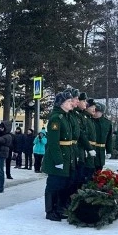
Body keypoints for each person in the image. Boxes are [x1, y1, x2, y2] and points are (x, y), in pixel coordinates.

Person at [42, 90, 74, 221]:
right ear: (61, 103)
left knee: (62, 184)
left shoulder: (65, 116)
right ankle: (50, 211)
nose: (71, 103)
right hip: (57, 157)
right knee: (53, 185)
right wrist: (58, 160)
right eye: (68, 101)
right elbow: (54, 143)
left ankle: (58, 209)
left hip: (66, 155)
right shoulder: (56, 118)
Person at [92, 103, 113, 172]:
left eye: (97, 111)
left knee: (99, 169)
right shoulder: (89, 121)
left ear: (101, 112)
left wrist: (109, 151)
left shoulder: (107, 123)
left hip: (101, 151)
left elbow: (109, 138)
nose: (94, 112)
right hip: (92, 149)